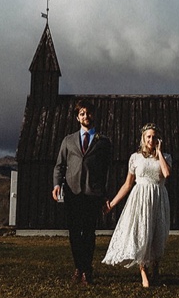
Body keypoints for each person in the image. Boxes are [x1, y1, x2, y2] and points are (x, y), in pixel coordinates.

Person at [102, 123, 171, 288]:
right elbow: (127, 184)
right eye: (148, 136)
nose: (151, 140)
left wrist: (159, 152)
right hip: (140, 198)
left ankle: (156, 270)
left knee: (157, 235)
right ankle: (143, 273)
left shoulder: (165, 157)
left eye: (154, 137)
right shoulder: (135, 158)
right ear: (143, 138)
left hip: (158, 197)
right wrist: (111, 204)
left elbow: (167, 173)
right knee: (142, 234)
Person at [52, 100, 112, 285]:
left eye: (89, 113)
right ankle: (79, 267)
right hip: (73, 192)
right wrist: (56, 184)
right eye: (82, 113)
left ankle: (87, 270)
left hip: (93, 193)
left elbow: (106, 170)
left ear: (93, 115)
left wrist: (104, 194)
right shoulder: (68, 140)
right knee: (74, 233)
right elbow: (60, 165)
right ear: (78, 117)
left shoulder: (104, 142)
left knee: (88, 233)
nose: (86, 116)